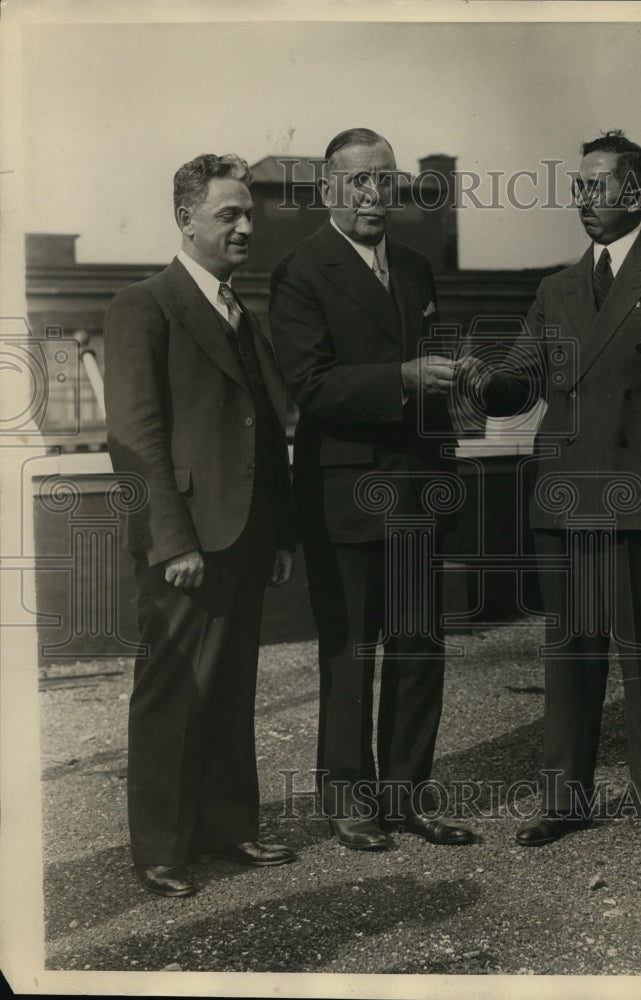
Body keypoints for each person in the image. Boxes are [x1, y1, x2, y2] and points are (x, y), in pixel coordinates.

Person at [480, 131, 641, 856]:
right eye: (578, 187)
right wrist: (475, 376)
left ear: (638, 194)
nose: (583, 200)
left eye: (598, 186)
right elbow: (517, 382)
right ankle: (565, 799)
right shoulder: (555, 289)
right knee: (568, 656)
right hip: (565, 499)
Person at [269, 128, 472, 851]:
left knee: (419, 648)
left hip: (420, 490)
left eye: (383, 179)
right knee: (350, 652)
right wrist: (403, 379)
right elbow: (311, 385)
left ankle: (407, 796)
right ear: (328, 187)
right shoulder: (300, 271)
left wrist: (456, 388)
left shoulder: (414, 266)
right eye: (357, 180)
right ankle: (349, 800)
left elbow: (431, 369)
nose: (372, 194)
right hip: (345, 496)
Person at [104, 154, 299, 897]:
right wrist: (173, 540)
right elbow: (136, 434)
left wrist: (279, 534)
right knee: (173, 690)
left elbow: (263, 427)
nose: (246, 227)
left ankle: (227, 826)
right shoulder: (144, 305)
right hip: (186, 539)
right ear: (187, 220)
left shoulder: (239, 311)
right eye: (229, 215)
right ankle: (160, 846)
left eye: (250, 214)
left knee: (231, 684)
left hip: (245, 534)